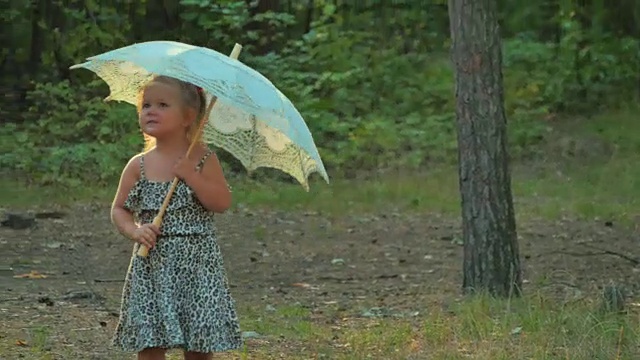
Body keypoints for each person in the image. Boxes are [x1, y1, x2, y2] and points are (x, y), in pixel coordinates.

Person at [110, 75, 242, 360]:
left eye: (162, 104)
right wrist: (134, 230)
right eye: (146, 105)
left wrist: (192, 176)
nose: (151, 110)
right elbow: (119, 209)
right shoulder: (139, 165)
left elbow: (221, 202)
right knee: (150, 339)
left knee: (197, 341)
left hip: (196, 264)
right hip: (152, 263)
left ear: (188, 116)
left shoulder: (203, 158)